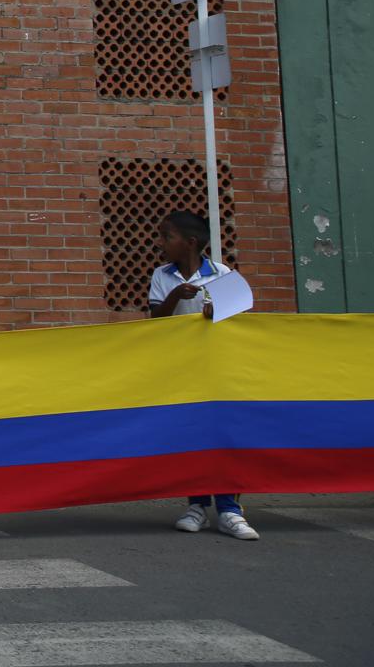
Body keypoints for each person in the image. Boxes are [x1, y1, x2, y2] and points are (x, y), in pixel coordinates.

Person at [149, 210, 260, 541]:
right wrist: (173, 297)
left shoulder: (222, 274)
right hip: (182, 368)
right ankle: (196, 505)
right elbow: (155, 320)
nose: (161, 243)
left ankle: (229, 509)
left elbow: (241, 318)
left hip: (219, 368)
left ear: (190, 242)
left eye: (167, 237)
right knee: (190, 435)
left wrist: (217, 312)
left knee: (225, 434)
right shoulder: (162, 275)